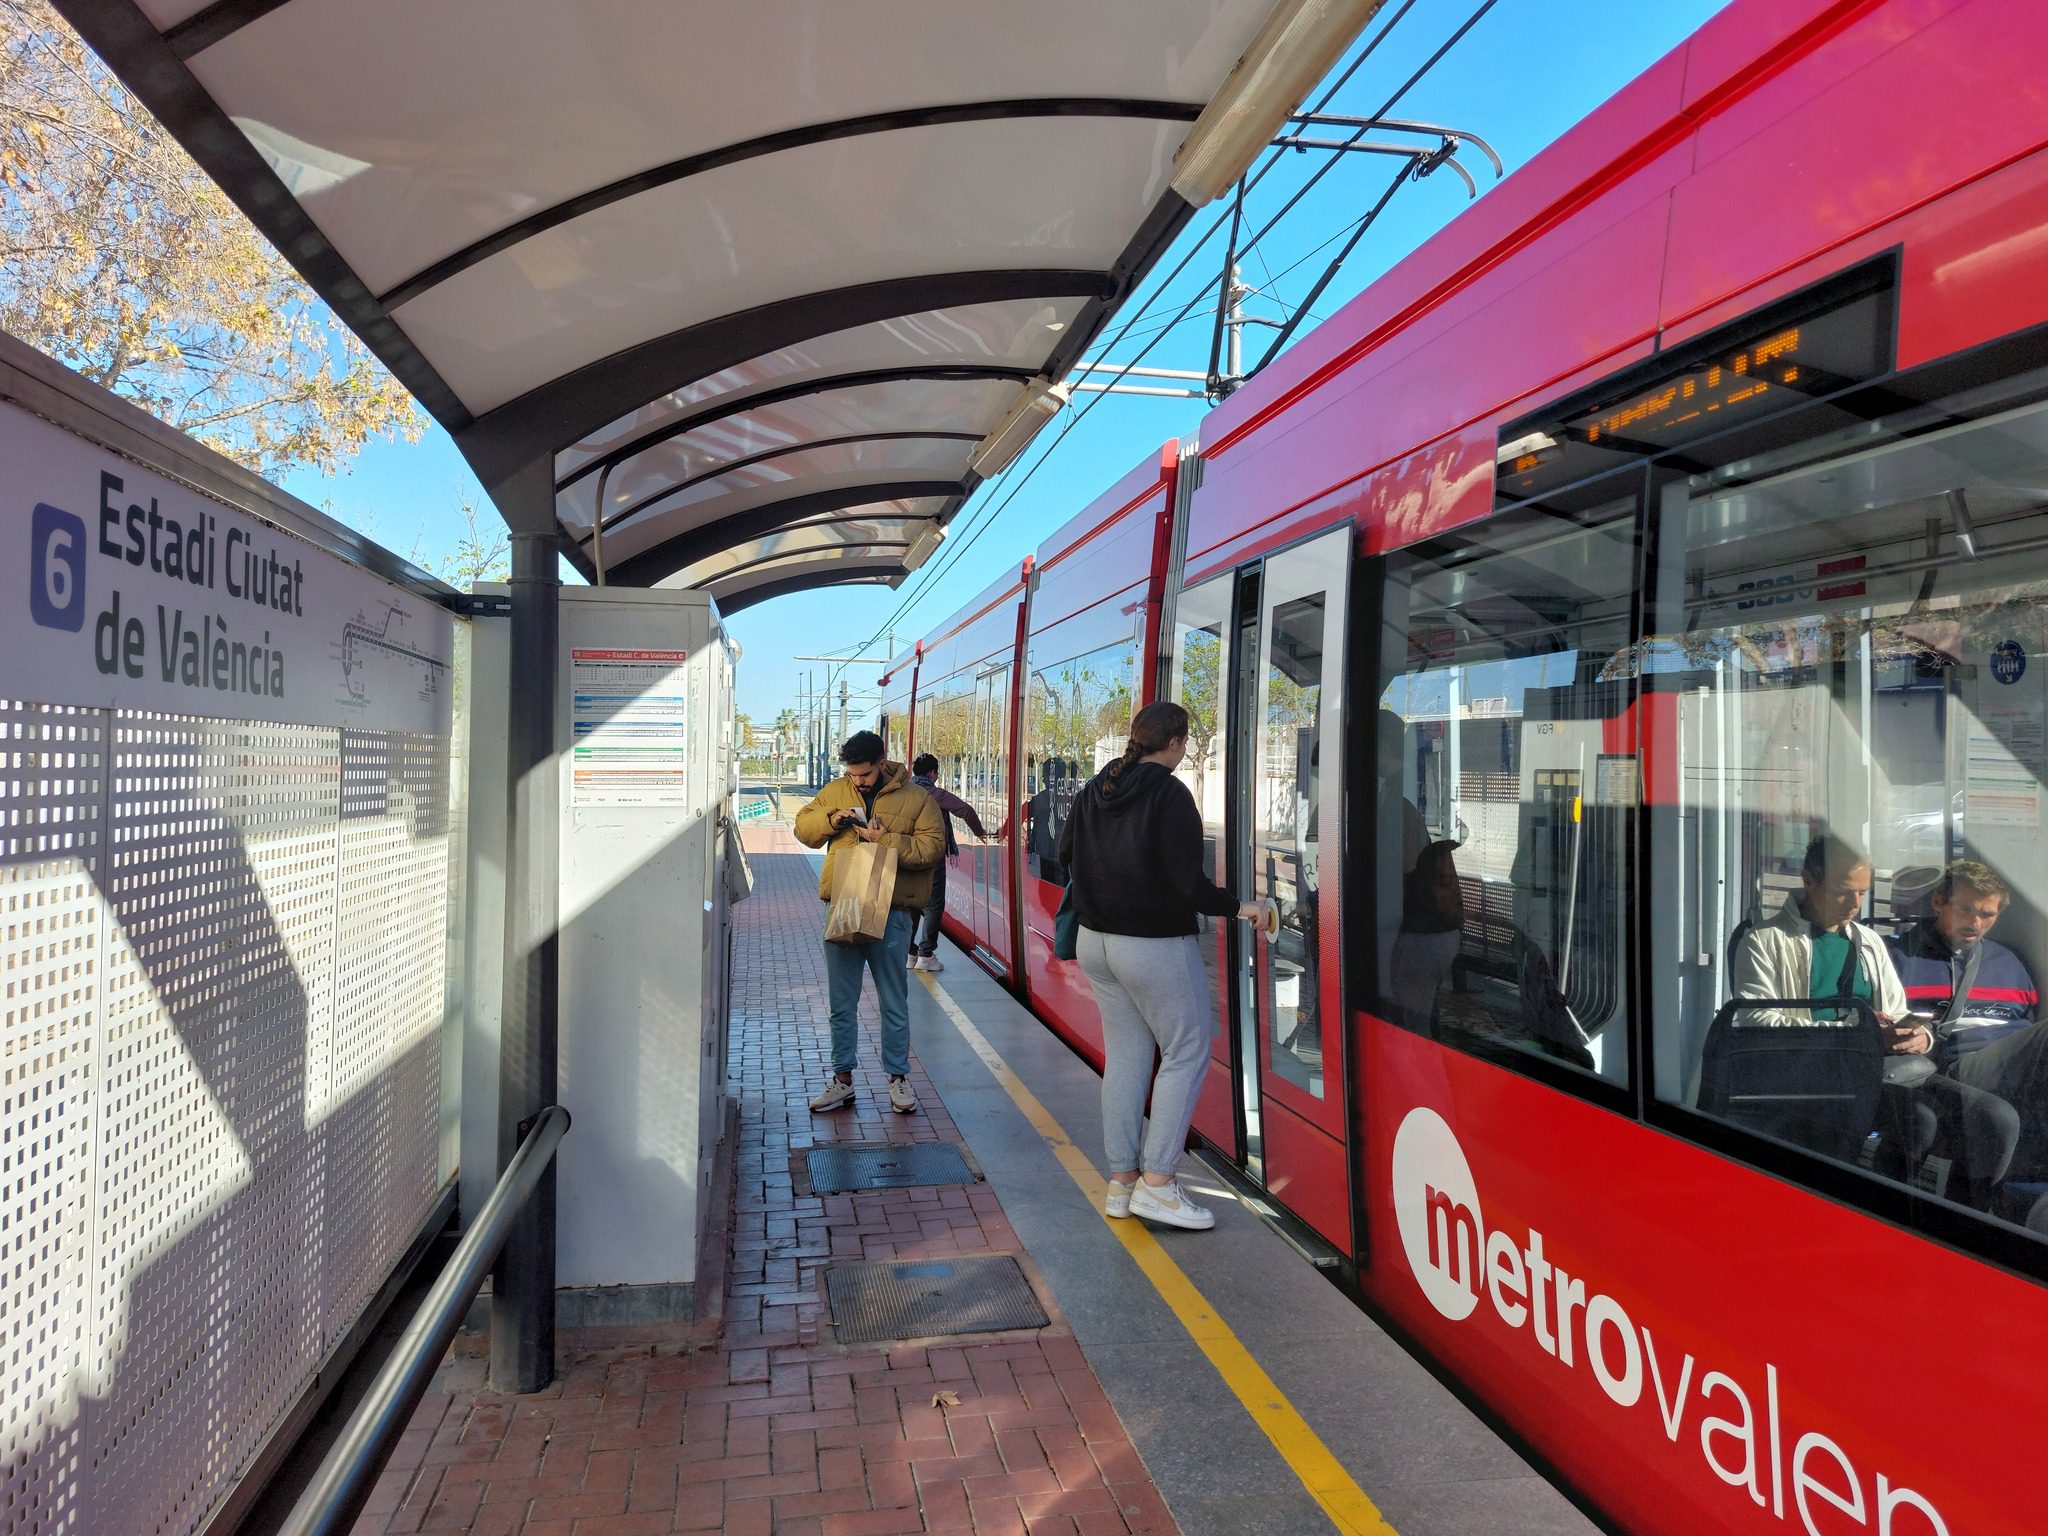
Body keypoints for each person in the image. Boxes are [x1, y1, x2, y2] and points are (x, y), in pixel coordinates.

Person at [1057, 701, 1269, 1230]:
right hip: (1151, 945)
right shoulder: (1170, 794)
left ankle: (1121, 1183)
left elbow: (1066, 855)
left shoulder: (1097, 788)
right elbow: (1186, 884)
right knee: (1186, 1050)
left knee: (1128, 1057)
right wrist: (1244, 908)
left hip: (1094, 941)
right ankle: (1158, 1184)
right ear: (1175, 743)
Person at [793, 731, 945, 1115]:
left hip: (892, 911)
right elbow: (803, 829)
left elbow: (932, 848)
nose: (857, 781)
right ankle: (842, 1080)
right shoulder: (835, 791)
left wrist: (886, 840)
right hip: (842, 904)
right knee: (841, 1003)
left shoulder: (917, 798)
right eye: (853, 774)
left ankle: (898, 1080)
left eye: (864, 774)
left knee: (894, 1001)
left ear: (882, 762)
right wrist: (832, 819)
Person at [1885, 860, 2027, 1207]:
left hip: (2011, 1068)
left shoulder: (2010, 963)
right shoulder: (1899, 959)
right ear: (1938, 902)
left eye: (1987, 914)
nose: (1976, 923)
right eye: (1965, 909)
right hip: (1947, 1066)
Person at [908, 752, 988, 973]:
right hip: (932, 855)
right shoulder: (934, 793)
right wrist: (980, 832)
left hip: (908, 855)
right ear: (932, 773)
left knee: (912, 902)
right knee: (933, 905)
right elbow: (965, 810)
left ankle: (910, 952)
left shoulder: (904, 792)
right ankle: (926, 954)